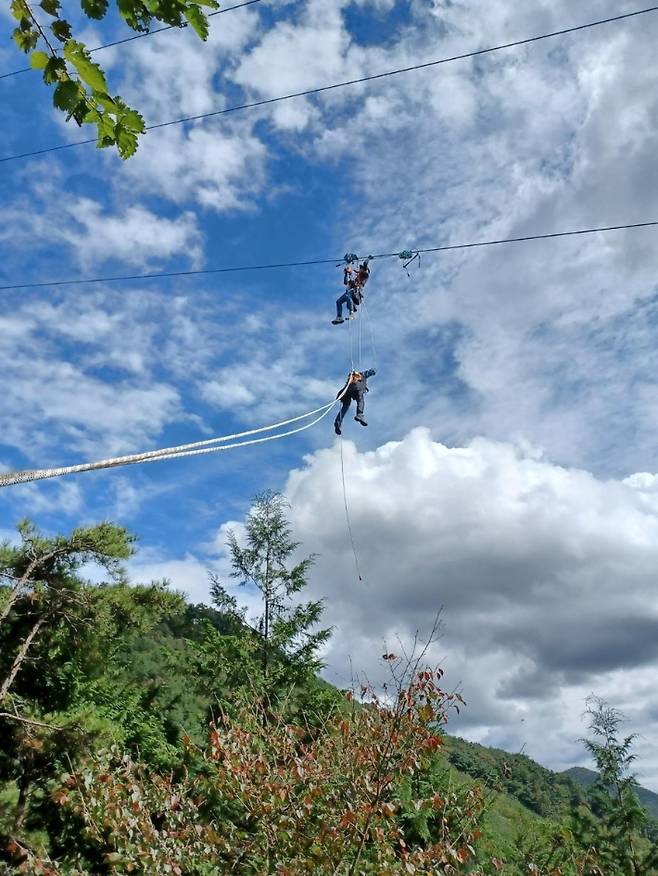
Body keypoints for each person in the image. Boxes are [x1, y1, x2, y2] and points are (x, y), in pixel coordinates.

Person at [334, 369, 376, 435]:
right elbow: (369, 372)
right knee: (360, 399)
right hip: (356, 388)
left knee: (346, 406)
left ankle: (338, 422)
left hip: (347, 391)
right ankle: (360, 414)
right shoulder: (362, 376)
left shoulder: (351, 380)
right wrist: (373, 371)